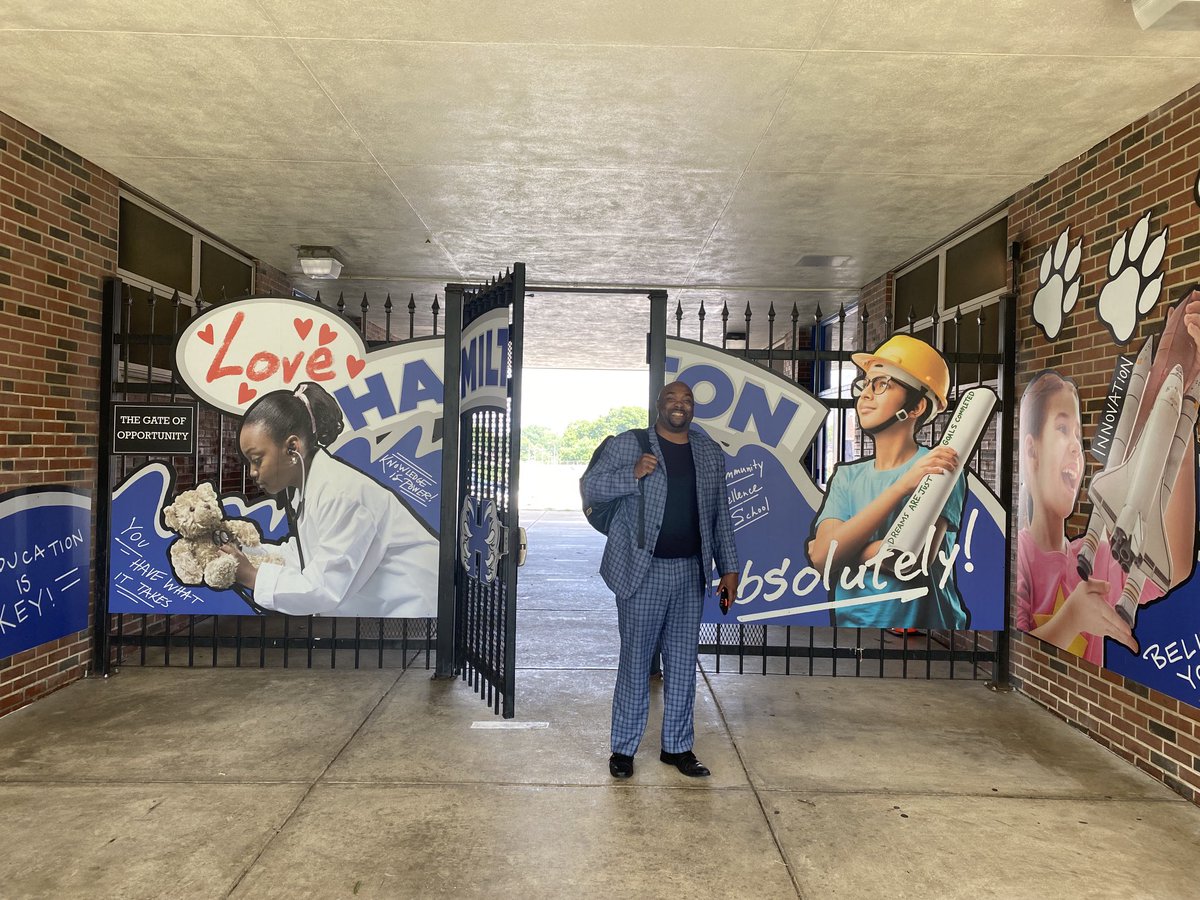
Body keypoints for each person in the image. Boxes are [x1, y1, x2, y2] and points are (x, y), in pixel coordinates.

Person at [1016, 295, 1200, 663]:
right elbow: (1012, 644)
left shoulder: (1099, 557)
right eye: (1062, 429)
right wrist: (1072, 618)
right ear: (1030, 450)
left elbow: (1175, 565)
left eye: (1078, 434)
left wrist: (1179, 430)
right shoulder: (1019, 555)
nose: (1075, 448)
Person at [583, 381, 739, 779]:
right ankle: (623, 749)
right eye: (672, 399)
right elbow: (590, 487)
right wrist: (632, 474)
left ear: (693, 409)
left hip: (690, 572)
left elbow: (720, 512)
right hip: (642, 570)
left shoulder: (707, 452)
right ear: (658, 405)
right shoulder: (629, 445)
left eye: (687, 400)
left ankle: (678, 747)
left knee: (684, 665)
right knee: (635, 662)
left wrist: (729, 568)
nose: (680, 405)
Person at [220, 381, 440, 618]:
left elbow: (324, 589)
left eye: (257, 459)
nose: (253, 472)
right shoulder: (313, 487)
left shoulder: (341, 494)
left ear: (293, 447)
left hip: (418, 619)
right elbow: (306, 555)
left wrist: (250, 576)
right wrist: (245, 554)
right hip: (389, 618)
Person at [807, 334, 969, 630]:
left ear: (917, 406)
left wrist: (846, 548)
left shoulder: (937, 466)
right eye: (866, 383)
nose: (866, 395)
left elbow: (909, 561)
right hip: (851, 626)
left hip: (926, 633)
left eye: (882, 384)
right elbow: (822, 558)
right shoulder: (848, 476)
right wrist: (901, 487)